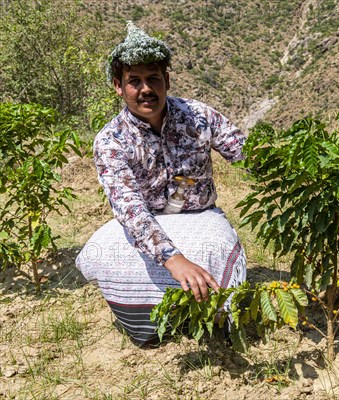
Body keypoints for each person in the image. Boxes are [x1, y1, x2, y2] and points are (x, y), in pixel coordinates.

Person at [76, 21, 247, 346]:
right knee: (102, 252)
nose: (146, 89)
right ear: (118, 86)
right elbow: (130, 210)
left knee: (218, 249)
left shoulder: (198, 117)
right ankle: (145, 329)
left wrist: (290, 169)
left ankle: (216, 323)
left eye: (153, 78)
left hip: (200, 217)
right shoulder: (111, 141)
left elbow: (245, 153)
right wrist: (174, 259)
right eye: (134, 81)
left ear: (166, 79)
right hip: (145, 222)